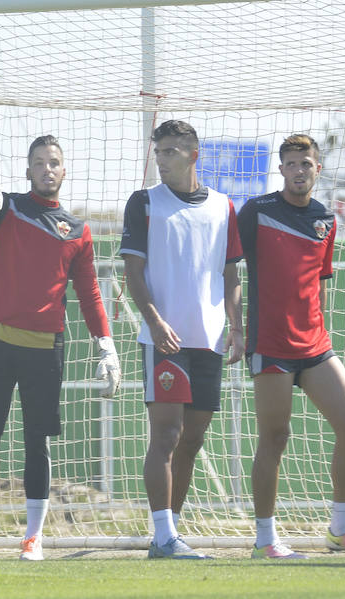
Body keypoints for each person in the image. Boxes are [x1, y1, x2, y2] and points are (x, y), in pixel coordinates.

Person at [0, 135, 121, 562]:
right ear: (28, 170)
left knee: (37, 443)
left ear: (63, 171)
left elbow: (89, 293)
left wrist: (106, 347)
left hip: (45, 351)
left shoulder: (79, 231)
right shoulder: (5, 208)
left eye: (54, 162)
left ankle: (34, 539)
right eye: (39, 162)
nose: (47, 169)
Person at [237, 133, 345, 559]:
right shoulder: (257, 212)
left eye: (306, 163)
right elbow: (229, 265)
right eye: (291, 164)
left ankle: (341, 530)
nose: (299, 170)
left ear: (317, 169)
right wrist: (234, 327)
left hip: (315, 345)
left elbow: (315, 284)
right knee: (275, 436)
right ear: (281, 170)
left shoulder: (326, 220)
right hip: (269, 344)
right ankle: (265, 540)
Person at [119, 120, 244, 560]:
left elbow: (230, 273)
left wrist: (237, 326)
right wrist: (153, 322)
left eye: (170, 152)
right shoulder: (144, 204)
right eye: (158, 152)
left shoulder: (224, 207)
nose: (162, 160)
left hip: (207, 340)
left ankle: (168, 536)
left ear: (194, 155)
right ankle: (163, 535)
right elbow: (132, 272)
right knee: (167, 435)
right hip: (163, 340)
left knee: (192, 439)